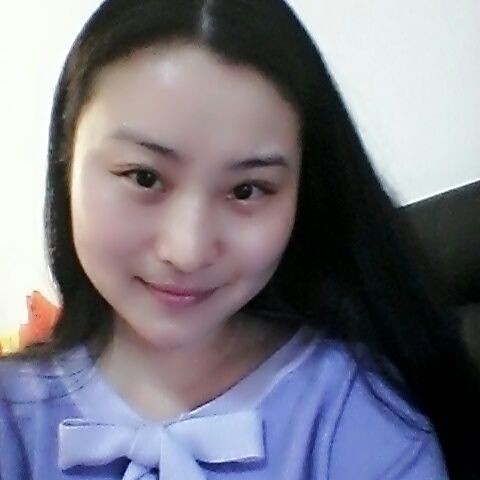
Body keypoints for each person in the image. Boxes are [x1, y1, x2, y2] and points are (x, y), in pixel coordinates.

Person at [1, 0, 479, 478]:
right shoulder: (14, 417)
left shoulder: (354, 413)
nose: (187, 251)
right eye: (144, 177)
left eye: (247, 190)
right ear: (67, 156)